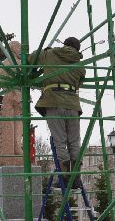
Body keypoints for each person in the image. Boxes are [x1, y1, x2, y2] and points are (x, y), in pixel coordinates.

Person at [28, 35, 85, 188]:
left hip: (53, 101)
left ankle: (65, 177)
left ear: (64, 45)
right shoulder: (80, 64)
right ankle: (76, 178)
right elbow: (79, 82)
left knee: (60, 141)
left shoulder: (50, 53)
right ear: (77, 49)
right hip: (73, 105)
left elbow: (31, 59)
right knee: (74, 142)